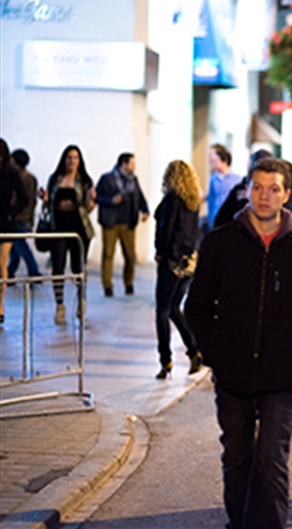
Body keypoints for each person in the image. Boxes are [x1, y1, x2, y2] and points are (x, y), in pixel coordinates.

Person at [185, 157, 292, 529]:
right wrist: (215, 350)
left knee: (270, 460)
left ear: (286, 194)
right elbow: (198, 306)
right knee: (237, 458)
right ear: (247, 190)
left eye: (273, 189)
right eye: (257, 187)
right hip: (233, 370)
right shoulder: (221, 242)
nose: (264, 196)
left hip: (283, 372)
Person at [153, 160, 203, 380]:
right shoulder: (192, 202)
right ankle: (194, 350)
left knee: (162, 310)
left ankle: (166, 360)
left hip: (171, 260)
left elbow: (167, 229)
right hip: (188, 261)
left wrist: (160, 251)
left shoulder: (172, 199)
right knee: (174, 308)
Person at [40, 145, 96, 325]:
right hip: (58, 230)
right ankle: (59, 305)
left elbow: (88, 209)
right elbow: (49, 205)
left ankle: (81, 300)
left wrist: (91, 201)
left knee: (78, 268)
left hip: (79, 232)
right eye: (69, 157)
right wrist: (46, 199)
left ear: (80, 161)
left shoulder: (85, 181)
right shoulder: (55, 179)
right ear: (64, 160)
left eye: (75, 158)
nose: (72, 161)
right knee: (58, 268)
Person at [96, 153, 149, 296]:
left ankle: (129, 283)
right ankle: (107, 285)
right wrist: (111, 201)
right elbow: (96, 197)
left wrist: (145, 210)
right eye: (132, 163)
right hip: (110, 222)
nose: (134, 166)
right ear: (123, 164)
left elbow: (140, 196)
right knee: (108, 254)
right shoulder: (107, 179)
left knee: (130, 255)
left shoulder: (134, 180)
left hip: (128, 222)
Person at [0, 139, 28, 324]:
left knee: (1, 263)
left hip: (4, 221)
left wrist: (12, 212)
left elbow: (24, 198)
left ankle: (0, 305)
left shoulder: (10, 173)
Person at [6, 149, 41, 281]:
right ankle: (10, 271)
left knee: (21, 246)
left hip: (16, 217)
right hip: (26, 217)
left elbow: (14, 198)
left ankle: (34, 271)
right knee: (15, 247)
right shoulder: (32, 178)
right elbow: (32, 200)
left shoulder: (15, 177)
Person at [205, 143, 242, 232]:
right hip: (214, 221)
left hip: (229, 221)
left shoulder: (237, 179)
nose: (211, 161)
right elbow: (211, 200)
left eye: (214, 159)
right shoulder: (214, 178)